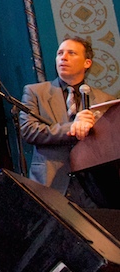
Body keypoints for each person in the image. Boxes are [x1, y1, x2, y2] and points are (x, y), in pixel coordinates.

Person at [19, 36, 112, 206]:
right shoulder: (36, 92)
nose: (63, 57)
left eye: (71, 53)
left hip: (94, 188)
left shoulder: (105, 99)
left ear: (87, 63)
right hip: (51, 183)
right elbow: (29, 130)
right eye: (60, 53)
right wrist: (72, 128)